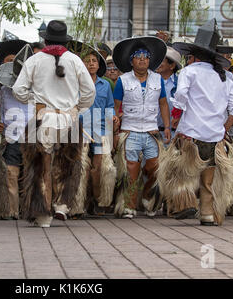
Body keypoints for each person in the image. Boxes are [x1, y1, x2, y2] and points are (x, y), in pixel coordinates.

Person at [12, 20, 96, 227]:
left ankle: (43, 215)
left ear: (45, 39)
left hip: (44, 119)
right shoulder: (75, 60)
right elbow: (90, 92)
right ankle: (62, 205)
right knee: (68, 164)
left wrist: (35, 100)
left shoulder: (34, 60)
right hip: (69, 120)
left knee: (42, 167)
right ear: (65, 40)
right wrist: (76, 107)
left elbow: (18, 90)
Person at [162, 18, 233, 226]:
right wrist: (224, 128)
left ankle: (184, 204)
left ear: (195, 54)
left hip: (190, 132)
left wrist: (176, 115)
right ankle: (207, 213)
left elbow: (179, 97)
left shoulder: (189, 71)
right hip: (215, 137)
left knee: (182, 171)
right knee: (208, 177)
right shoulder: (225, 76)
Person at [112, 36, 170, 218]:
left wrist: (167, 126)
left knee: (154, 168)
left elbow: (163, 104)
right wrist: (115, 129)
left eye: (146, 56)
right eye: (138, 56)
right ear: (131, 61)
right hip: (130, 131)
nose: (142, 59)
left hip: (152, 131)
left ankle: (148, 198)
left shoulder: (158, 79)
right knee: (131, 170)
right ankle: (129, 206)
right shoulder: (123, 81)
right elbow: (114, 107)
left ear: (150, 60)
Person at [77, 43, 118, 216]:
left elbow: (109, 108)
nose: (91, 64)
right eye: (87, 61)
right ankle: (78, 204)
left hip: (101, 129)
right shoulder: (76, 84)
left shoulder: (105, 85)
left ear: (99, 66)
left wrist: (113, 124)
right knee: (80, 168)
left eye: (94, 61)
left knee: (99, 168)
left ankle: (98, 200)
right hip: (80, 129)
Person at [0, 44, 34, 220]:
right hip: (11, 137)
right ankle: (11, 210)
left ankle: (30, 209)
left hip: (32, 136)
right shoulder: (3, 91)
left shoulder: (38, 90)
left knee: (30, 174)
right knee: (11, 173)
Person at [155, 46, 182, 141]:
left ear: (172, 66)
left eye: (162, 60)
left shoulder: (181, 84)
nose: (157, 63)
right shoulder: (150, 82)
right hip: (153, 132)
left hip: (174, 134)